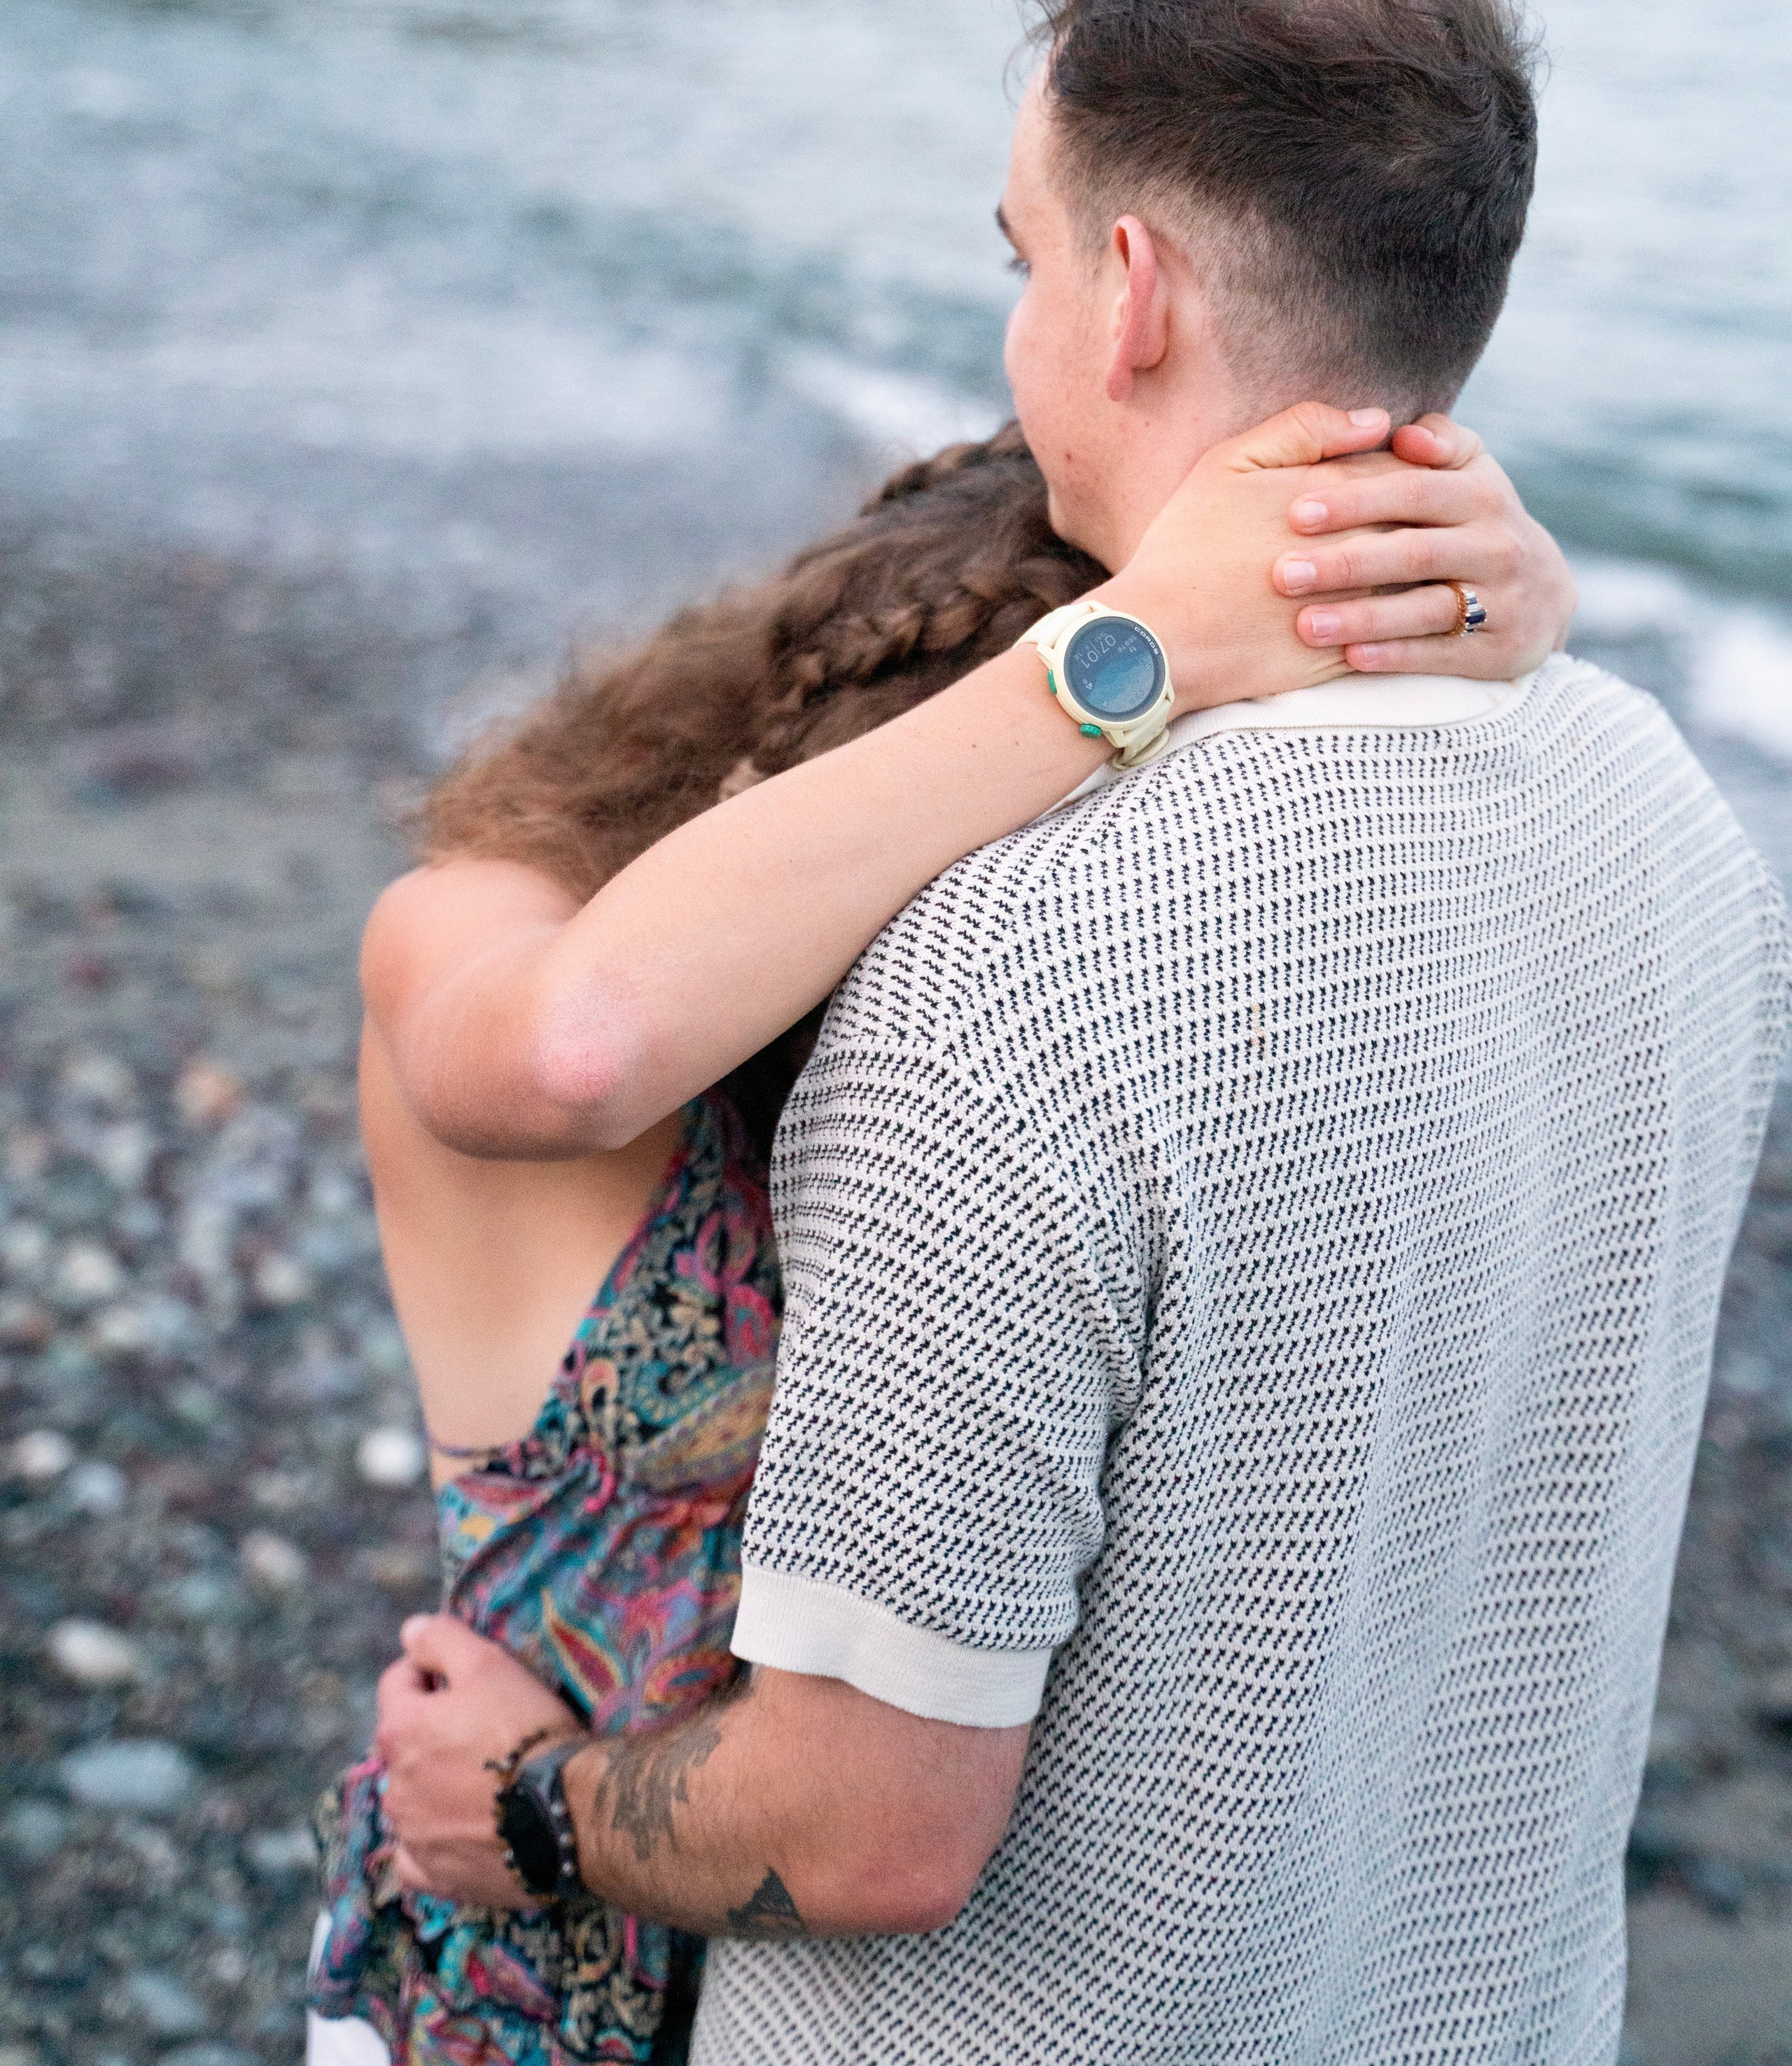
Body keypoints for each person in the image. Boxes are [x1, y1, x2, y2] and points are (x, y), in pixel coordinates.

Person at [382, 0, 1791, 2063]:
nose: (1019, 326)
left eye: (1023, 257)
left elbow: (868, 1831)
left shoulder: (1018, 971)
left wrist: (529, 1807)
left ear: (1127, 293)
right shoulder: (1682, 821)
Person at [312, 407, 1570, 2064]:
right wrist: (1128, 660)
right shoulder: (480, 921)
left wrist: (1520, 606)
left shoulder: (1029, 1101)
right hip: (514, 1938)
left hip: (848, 1993)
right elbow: (570, 1051)